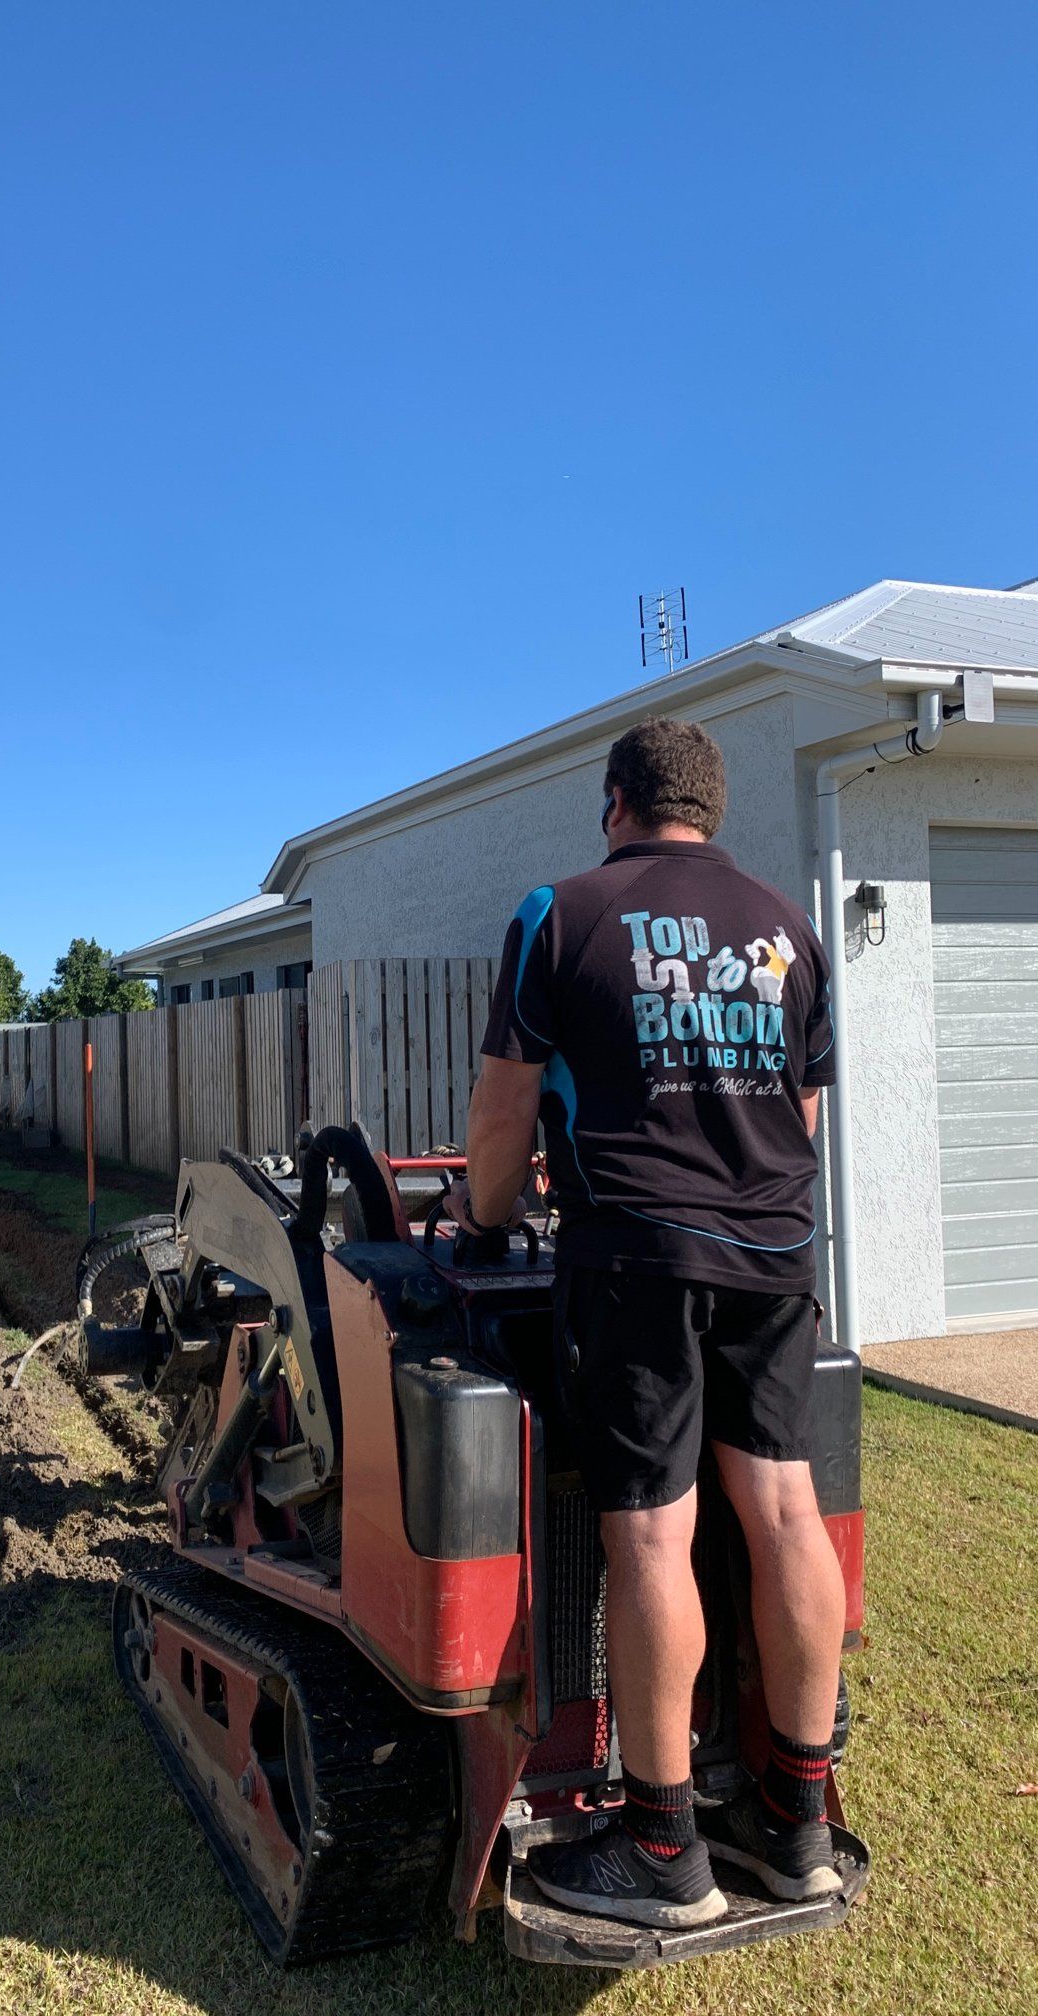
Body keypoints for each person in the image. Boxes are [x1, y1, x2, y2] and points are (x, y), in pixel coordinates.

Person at [447, 715, 846, 1931]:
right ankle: (795, 1818)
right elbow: (807, 1117)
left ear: (617, 800)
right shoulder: (790, 930)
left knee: (652, 1536)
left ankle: (663, 1847)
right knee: (784, 1508)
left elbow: (506, 1115)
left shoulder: (559, 914)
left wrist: (483, 1219)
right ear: (711, 809)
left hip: (638, 1263)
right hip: (776, 1254)